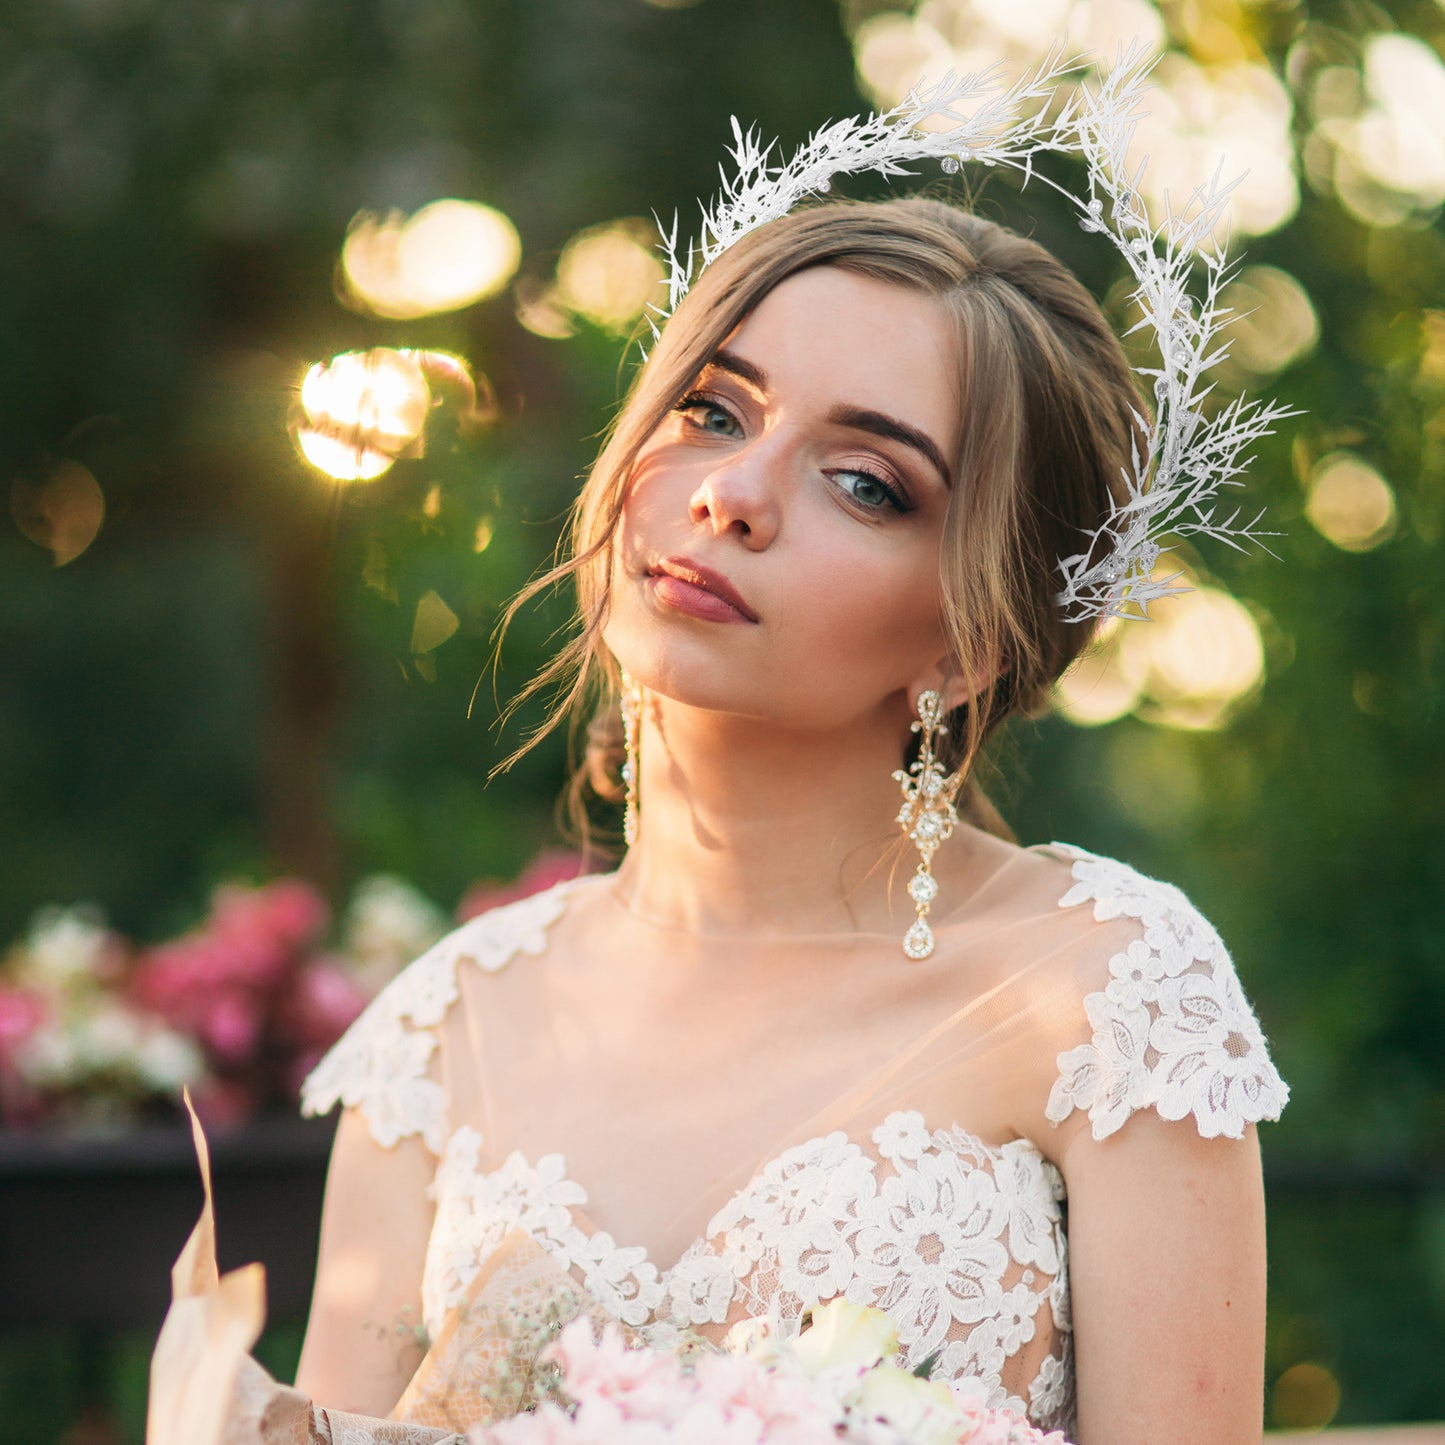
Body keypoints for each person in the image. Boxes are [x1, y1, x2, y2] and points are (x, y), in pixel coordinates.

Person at [293, 193, 1289, 1442]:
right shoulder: (443, 1037)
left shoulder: (1111, 999)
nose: (735, 493)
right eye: (710, 411)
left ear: (969, 643)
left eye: (866, 484)